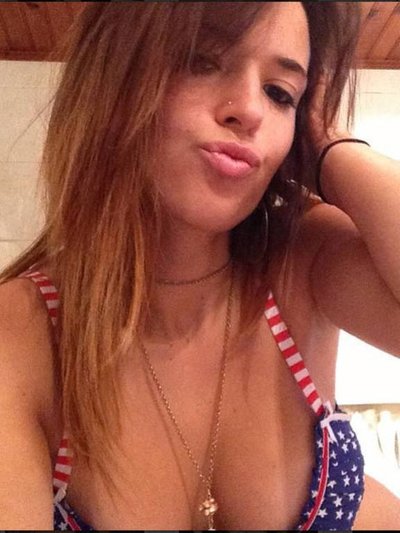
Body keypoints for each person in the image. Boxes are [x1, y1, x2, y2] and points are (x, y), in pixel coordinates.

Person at [0, 2, 399, 530]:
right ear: (112, 80)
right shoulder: (22, 332)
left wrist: (329, 148)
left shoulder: (300, 259)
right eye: (201, 61)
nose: (250, 110)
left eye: (281, 93)